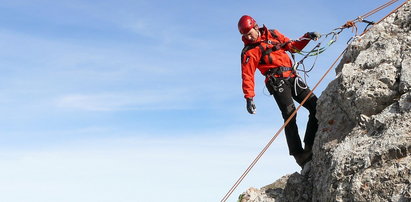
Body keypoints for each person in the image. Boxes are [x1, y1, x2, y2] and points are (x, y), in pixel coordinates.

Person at [238, 15, 320, 168]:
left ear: (256, 27)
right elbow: (247, 76)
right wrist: (249, 98)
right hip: (277, 81)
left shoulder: (273, 34)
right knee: (290, 115)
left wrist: (307, 37)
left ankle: (310, 144)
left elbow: (292, 46)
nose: (248, 37)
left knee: (316, 106)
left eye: (250, 33)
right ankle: (299, 155)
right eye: (245, 35)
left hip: (292, 77)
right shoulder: (249, 52)